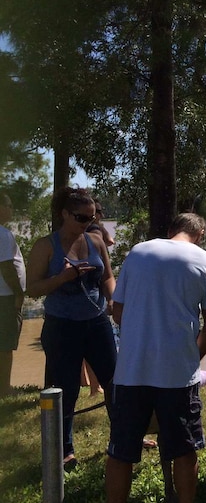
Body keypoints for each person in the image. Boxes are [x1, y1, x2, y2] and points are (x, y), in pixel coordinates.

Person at [105, 213, 206, 503]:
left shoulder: (138, 253)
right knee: (184, 450)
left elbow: (118, 312)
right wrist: (191, 358)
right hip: (177, 376)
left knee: (120, 451)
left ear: (170, 229)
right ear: (200, 235)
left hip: (131, 371)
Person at [25, 187, 116, 470]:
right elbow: (32, 289)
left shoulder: (95, 240)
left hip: (97, 323)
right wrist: (63, 277)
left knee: (115, 384)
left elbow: (108, 277)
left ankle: (124, 439)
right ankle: (64, 449)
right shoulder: (45, 246)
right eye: (80, 217)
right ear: (64, 214)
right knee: (65, 390)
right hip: (62, 326)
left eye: (90, 218)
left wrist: (114, 302)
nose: (86, 224)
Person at [0, 193, 25, 397]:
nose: (11, 209)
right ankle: (4, 389)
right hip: (5, 297)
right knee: (5, 345)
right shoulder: (3, 234)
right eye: (8, 205)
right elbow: (7, 268)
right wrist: (19, 293)